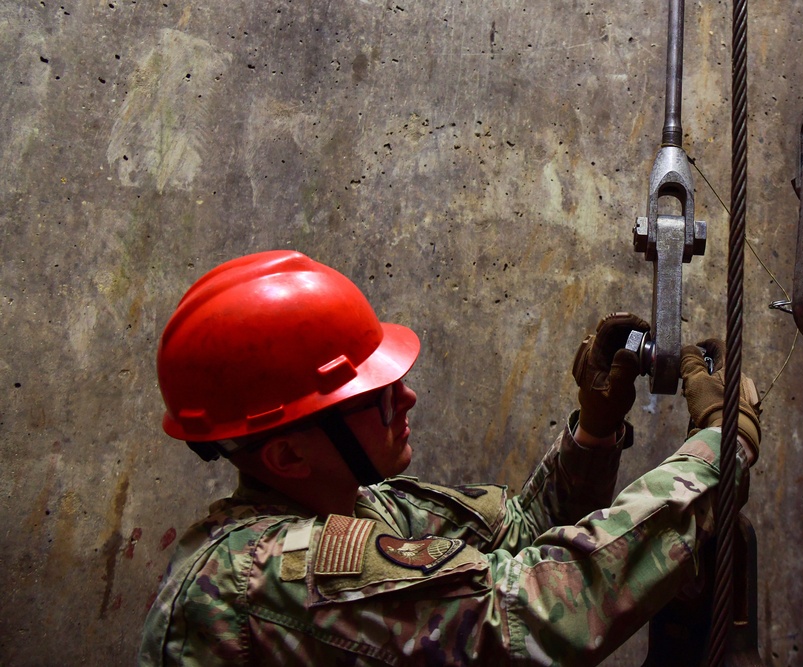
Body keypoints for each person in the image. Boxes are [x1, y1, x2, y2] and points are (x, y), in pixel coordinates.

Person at [138, 249, 762, 666]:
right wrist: (720, 449)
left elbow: (516, 537)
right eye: (375, 398)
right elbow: (534, 611)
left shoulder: (361, 507)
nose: (405, 396)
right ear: (287, 454)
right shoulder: (269, 574)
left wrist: (594, 433)